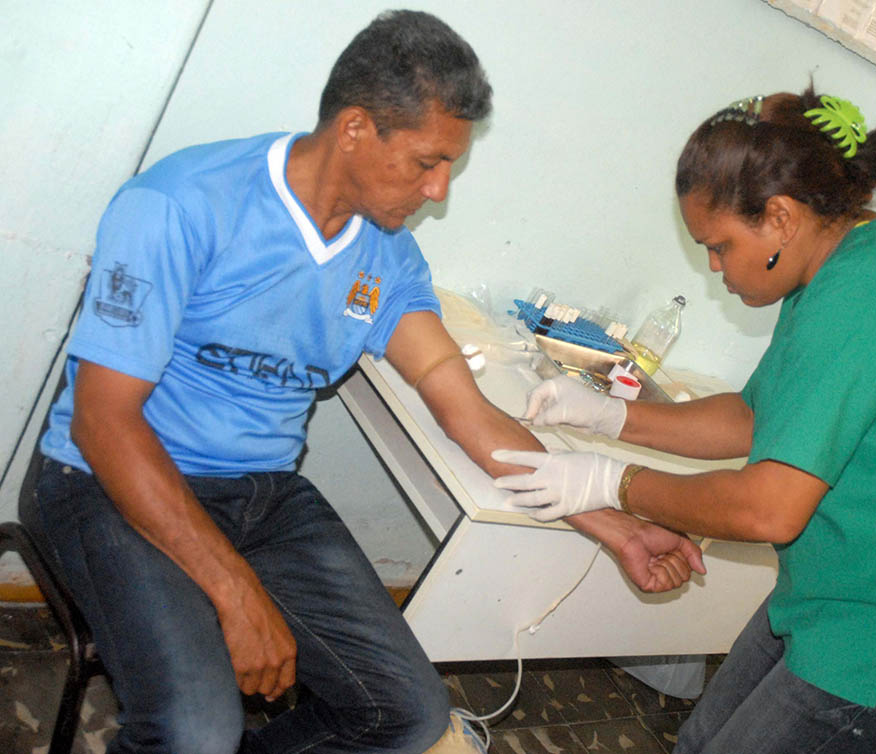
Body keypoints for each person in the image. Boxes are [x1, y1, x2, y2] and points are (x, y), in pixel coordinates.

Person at [32, 10, 705, 754]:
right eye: (426, 161)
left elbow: (468, 414)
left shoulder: (389, 258)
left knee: (407, 717)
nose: (440, 190)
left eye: (450, 164)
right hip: (108, 478)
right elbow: (104, 421)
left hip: (260, 495)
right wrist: (234, 590)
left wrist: (613, 525)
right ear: (354, 128)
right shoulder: (184, 203)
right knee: (195, 729)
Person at [493, 88, 876, 753]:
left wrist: (611, 483)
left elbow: (768, 510)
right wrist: (609, 415)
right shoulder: (845, 262)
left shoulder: (868, 296)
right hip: (841, 587)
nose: (714, 268)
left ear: (780, 216)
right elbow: (752, 416)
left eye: (719, 245)